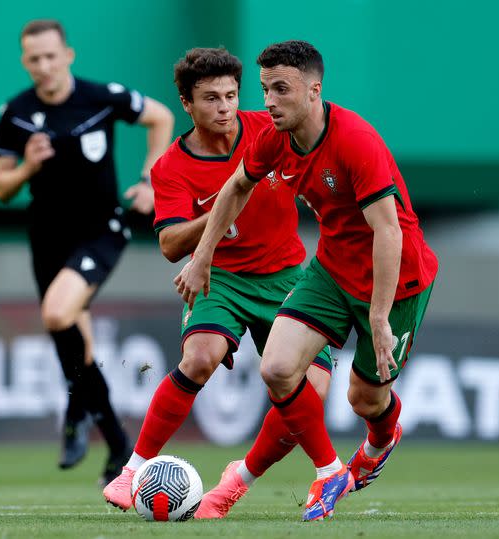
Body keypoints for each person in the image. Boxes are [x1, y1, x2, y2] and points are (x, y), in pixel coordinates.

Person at [175, 40, 438, 521]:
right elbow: (237, 186)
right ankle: (329, 471)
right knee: (276, 368)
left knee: (365, 397)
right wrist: (202, 257)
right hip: (332, 270)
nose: (268, 101)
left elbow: (388, 231)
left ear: (314, 91)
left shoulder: (356, 140)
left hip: (396, 280)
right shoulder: (276, 138)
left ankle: (382, 437)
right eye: (264, 89)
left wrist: (378, 317)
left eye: (281, 89)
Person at [102, 47, 333, 518]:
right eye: (210, 98)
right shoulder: (172, 167)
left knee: (311, 393)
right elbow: (169, 245)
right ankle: (132, 470)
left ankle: (236, 480)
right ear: (187, 104)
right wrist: (219, 211)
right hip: (220, 278)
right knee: (201, 356)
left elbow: (316, 152)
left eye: (231, 95)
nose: (225, 107)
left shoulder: (267, 129)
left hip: (287, 274)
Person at [0, 19, 174, 485]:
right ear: (24, 62)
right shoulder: (15, 113)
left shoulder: (100, 96)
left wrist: (152, 177)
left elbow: (161, 117)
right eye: (34, 59)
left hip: (100, 231)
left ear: (68, 55)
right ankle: (115, 444)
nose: (44, 66)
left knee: (56, 315)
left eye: (52, 56)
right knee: (76, 342)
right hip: (47, 237)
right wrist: (29, 165)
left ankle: (78, 415)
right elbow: (1, 187)